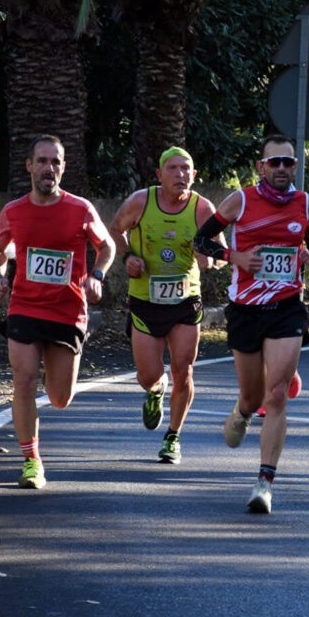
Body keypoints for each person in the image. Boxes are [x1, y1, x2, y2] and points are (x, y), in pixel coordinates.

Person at [192, 133, 309, 513]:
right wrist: (233, 256)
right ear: (261, 167)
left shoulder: (303, 203)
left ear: (296, 167)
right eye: (275, 162)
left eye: (289, 162)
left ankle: (264, 483)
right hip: (246, 310)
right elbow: (200, 241)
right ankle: (240, 412)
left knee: (278, 394)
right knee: (253, 398)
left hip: (287, 306)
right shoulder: (240, 200)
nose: (282, 168)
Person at [0, 134, 114, 489]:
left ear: (63, 168)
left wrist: (97, 276)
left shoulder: (80, 209)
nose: (49, 168)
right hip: (25, 307)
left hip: (67, 312)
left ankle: (55, 371)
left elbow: (107, 246)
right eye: (42, 161)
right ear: (29, 166)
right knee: (23, 381)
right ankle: (32, 460)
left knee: (60, 398)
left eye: (55, 162)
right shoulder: (14, 211)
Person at [108, 146, 224, 464]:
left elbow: (221, 249)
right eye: (173, 168)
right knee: (147, 375)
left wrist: (211, 259)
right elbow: (115, 230)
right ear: (160, 175)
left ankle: (172, 437)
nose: (180, 175)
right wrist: (129, 257)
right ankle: (156, 389)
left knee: (183, 370)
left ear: (194, 175)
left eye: (186, 169)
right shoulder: (141, 202)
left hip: (186, 300)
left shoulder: (202, 207)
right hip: (146, 301)